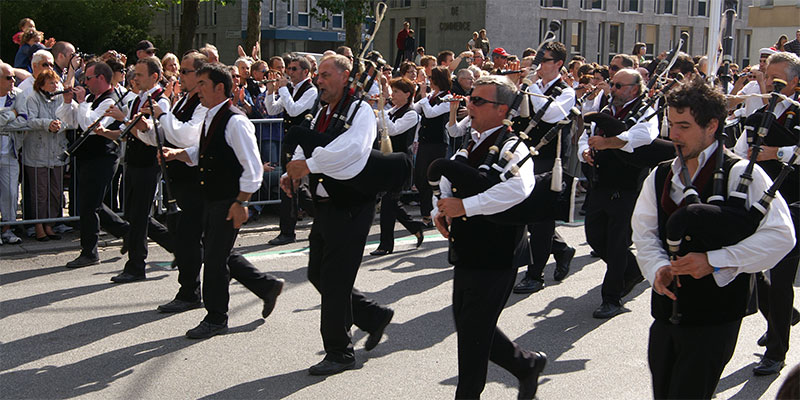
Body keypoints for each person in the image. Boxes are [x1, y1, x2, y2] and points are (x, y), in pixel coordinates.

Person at [631, 79, 795, 399]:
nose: (674, 135)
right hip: (665, 314)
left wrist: (713, 261)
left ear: (712, 126)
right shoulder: (661, 174)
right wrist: (657, 268)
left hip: (715, 316)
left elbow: (781, 236)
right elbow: (645, 232)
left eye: (684, 126)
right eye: (671, 124)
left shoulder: (741, 174)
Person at [433, 75, 546, 399]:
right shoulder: (472, 142)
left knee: (472, 338)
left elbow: (518, 189)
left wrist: (466, 206)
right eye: (470, 98)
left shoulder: (513, 145)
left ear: (501, 110)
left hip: (498, 252)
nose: (469, 104)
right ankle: (526, 365)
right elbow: (448, 181)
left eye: (478, 100)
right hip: (467, 249)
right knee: (469, 326)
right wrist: (439, 210)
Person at [280, 54, 394, 375]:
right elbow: (305, 144)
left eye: (327, 75)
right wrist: (295, 171)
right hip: (326, 204)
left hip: (352, 205)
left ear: (345, 77)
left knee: (334, 279)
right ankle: (371, 316)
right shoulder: (321, 112)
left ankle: (340, 351)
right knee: (318, 272)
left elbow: (353, 150)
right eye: (319, 75)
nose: (320, 80)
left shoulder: (361, 112)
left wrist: (310, 165)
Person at [161, 62, 284, 339]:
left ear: (219, 87)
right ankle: (265, 286)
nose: (197, 88)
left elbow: (252, 168)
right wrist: (176, 154)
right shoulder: (212, 116)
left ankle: (216, 317)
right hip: (212, 198)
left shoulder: (235, 120)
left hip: (228, 200)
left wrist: (241, 202)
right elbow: (203, 152)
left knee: (215, 260)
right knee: (218, 253)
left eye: (202, 83)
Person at [733, 51, 800, 376]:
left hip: (794, 203)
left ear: (795, 82)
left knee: (780, 277)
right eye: (765, 76)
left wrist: (778, 152)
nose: (768, 83)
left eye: (777, 79)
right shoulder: (759, 112)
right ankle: (779, 318)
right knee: (756, 272)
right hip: (760, 202)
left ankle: (776, 351)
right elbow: (741, 151)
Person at [578, 69, 658, 318]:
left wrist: (610, 142)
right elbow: (585, 136)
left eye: (618, 85)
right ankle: (633, 269)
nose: (612, 89)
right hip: (601, 182)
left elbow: (645, 136)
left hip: (627, 186)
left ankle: (612, 298)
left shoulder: (646, 110)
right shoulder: (605, 109)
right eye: (612, 84)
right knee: (595, 237)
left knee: (616, 243)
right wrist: (586, 152)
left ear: (635, 88)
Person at [511, 41, 577, 294]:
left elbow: (550, 115)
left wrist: (530, 88)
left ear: (558, 64)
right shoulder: (531, 86)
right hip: (525, 156)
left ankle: (535, 275)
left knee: (541, 221)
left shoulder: (566, 91)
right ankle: (561, 249)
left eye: (544, 60)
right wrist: (517, 88)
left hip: (550, 160)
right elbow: (515, 112)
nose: (538, 65)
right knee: (527, 215)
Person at [147, 51, 209, 313]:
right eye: (180, 71)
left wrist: (162, 115)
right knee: (186, 238)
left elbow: (186, 136)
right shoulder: (184, 99)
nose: (179, 75)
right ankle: (261, 283)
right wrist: (145, 131)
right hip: (178, 178)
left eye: (185, 71)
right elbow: (166, 136)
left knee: (191, 239)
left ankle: (190, 292)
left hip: (195, 180)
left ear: (199, 75)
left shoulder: (203, 103)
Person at [56, 60, 131, 267]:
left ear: (100, 78)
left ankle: (90, 252)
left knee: (89, 206)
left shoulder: (110, 101)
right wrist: (67, 102)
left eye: (88, 78)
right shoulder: (90, 98)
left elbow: (91, 125)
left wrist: (81, 103)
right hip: (87, 157)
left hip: (103, 157)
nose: (85, 82)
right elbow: (71, 120)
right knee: (91, 203)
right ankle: (126, 231)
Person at [264, 55, 318, 246]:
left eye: (294, 69)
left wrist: (284, 88)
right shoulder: (291, 89)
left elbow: (295, 111)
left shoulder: (311, 91)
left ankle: (288, 231)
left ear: (305, 72)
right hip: (289, 142)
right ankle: (319, 218)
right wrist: (271, 92)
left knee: (293, 185)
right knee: (291, 186)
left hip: (302, 144)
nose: (289, 72)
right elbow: (272, 110)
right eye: (289, 68)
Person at [371, 77, 424, 256]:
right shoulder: (392, 110)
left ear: (408, 94)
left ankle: (385, 244)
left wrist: (380, 111)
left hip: (401, 161)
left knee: (388, 203)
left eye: (396, 92)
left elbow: (392, 129)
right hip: (387, 159)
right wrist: (375, 110)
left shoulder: (411, 114)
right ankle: (414, 226)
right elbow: (379, 122)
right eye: (392, 92)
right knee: (391, 202)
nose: (392, 96)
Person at [23, 69, 67, 241]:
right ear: (41, 84)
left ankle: (50, 224)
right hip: (37, 153)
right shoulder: (32, 98)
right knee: (39, 192)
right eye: (51, 82)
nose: (55, 85)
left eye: (56, 82)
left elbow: (69, 119)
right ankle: (38, 226)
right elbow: (29, 120)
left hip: (57, 152)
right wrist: (47, 124)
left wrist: (59, 125)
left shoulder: (61, 98)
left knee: (56, 191)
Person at [412, 66, 451, 227]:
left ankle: (437, 213)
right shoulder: (430, 96)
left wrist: (423, 98)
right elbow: (415, 110)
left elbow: (431, 113)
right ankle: (425, 213)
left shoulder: (447, 98)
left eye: (431, 78)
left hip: (438, 143)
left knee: (433, 178)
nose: (429, 81)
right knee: (421, 177)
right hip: (425, 141)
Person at [0, 62, 27, 245]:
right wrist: (11, 115)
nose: (13, 81)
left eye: (13, 77)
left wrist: (4, 121)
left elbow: (25, 119)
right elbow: (15, 117)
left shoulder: (18, 95)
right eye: (8, 77)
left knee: (10, 193)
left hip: (9, 152)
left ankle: (7, 229)